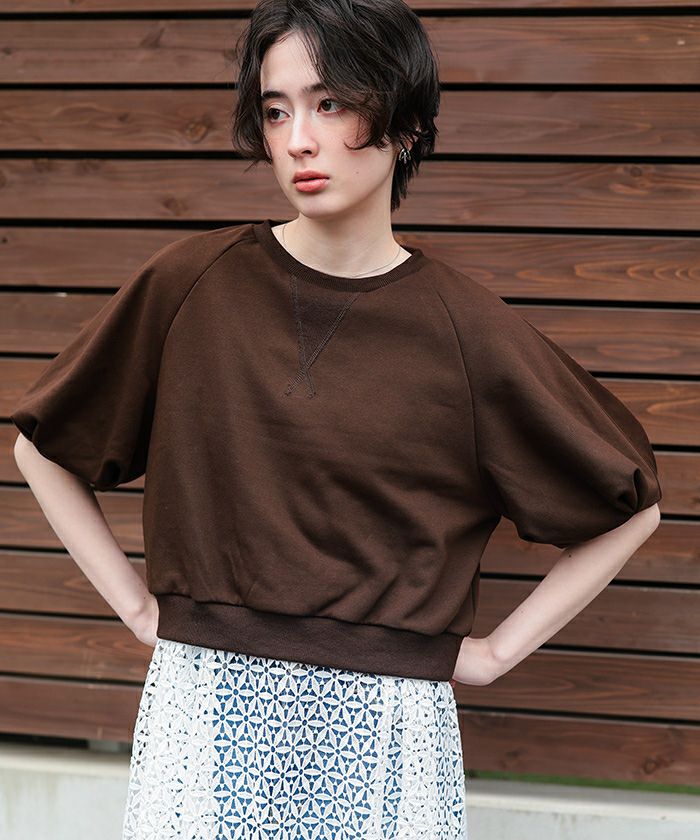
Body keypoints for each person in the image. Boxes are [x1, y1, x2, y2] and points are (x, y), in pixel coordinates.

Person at [10, 1, 661, 838]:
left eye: (330, 104)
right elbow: (45, 448)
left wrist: (496, 655)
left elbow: (628, 504)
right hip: (206, 715)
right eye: (276, 111)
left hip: (385, 733)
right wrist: (142, 612)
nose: (299, 140)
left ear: (406, 125)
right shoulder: (192, 284)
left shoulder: (465, 330)